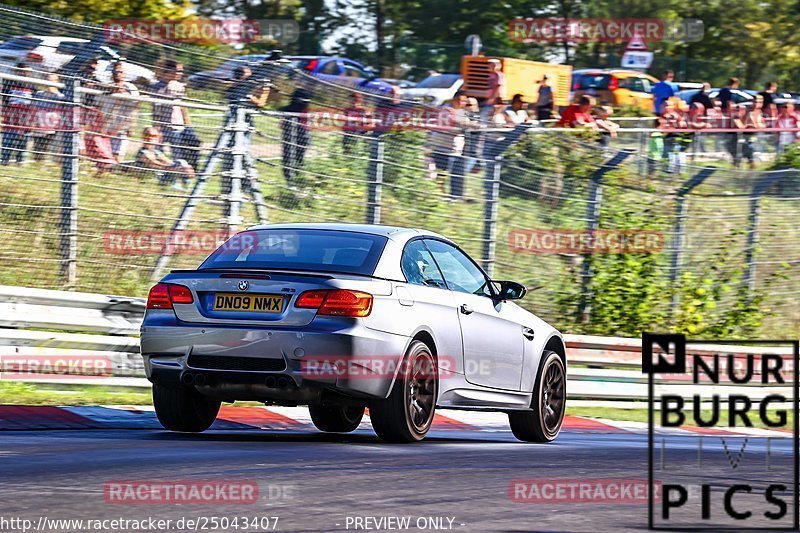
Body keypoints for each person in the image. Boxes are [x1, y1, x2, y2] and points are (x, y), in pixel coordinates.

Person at [151, 59, 193, 165]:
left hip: (177, 126)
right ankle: (163, 173)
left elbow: (182, 106)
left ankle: (180, 174)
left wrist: (187, 124)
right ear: (169, 70)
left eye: (181, 71)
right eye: (178, 71)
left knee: (178, 153)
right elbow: (156, 108)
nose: (180, 74)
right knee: (158, 152)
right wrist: (157, 126)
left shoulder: (179, 86)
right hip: (163, 127)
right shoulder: (157, 86)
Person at [99, 62, 140, 162]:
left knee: (118, 155)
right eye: (114, 71)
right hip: (108, 126)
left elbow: (135, 106)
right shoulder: (107, 87)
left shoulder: (130, 87)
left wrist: (132, 125)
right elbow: (100, 104)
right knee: (105, 154)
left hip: (122, 126)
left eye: (120, 71)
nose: (117, 74)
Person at [1, 62, 34, 165]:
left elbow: (33, 103)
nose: (26, 74)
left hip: (25, 118)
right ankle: (5, 159)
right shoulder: (9, 83)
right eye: (24, 71)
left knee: (23, 139)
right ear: (18, 72)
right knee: (8, 138)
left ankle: (20, 160)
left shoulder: (32, 86)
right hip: (11, 116)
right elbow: (5, 100)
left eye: (28, 72)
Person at [280, 87, 311, 188]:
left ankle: (294, 183)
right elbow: (282, 124)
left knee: (293, 160)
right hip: (296, 137)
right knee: (294, 160)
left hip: (300, 137)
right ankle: (293, 183)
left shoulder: (303, 111)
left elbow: (282, 124)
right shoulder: (302, 110)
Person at [31, 73, 65, 162]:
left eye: (52, 80)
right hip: (39, 125)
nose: (49, 83)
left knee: (51, 150)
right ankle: (37, 165)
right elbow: (34, 108)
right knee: (38, 150)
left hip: (53, 127)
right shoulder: (39, 94)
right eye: (48, 80)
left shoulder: (61, 97)